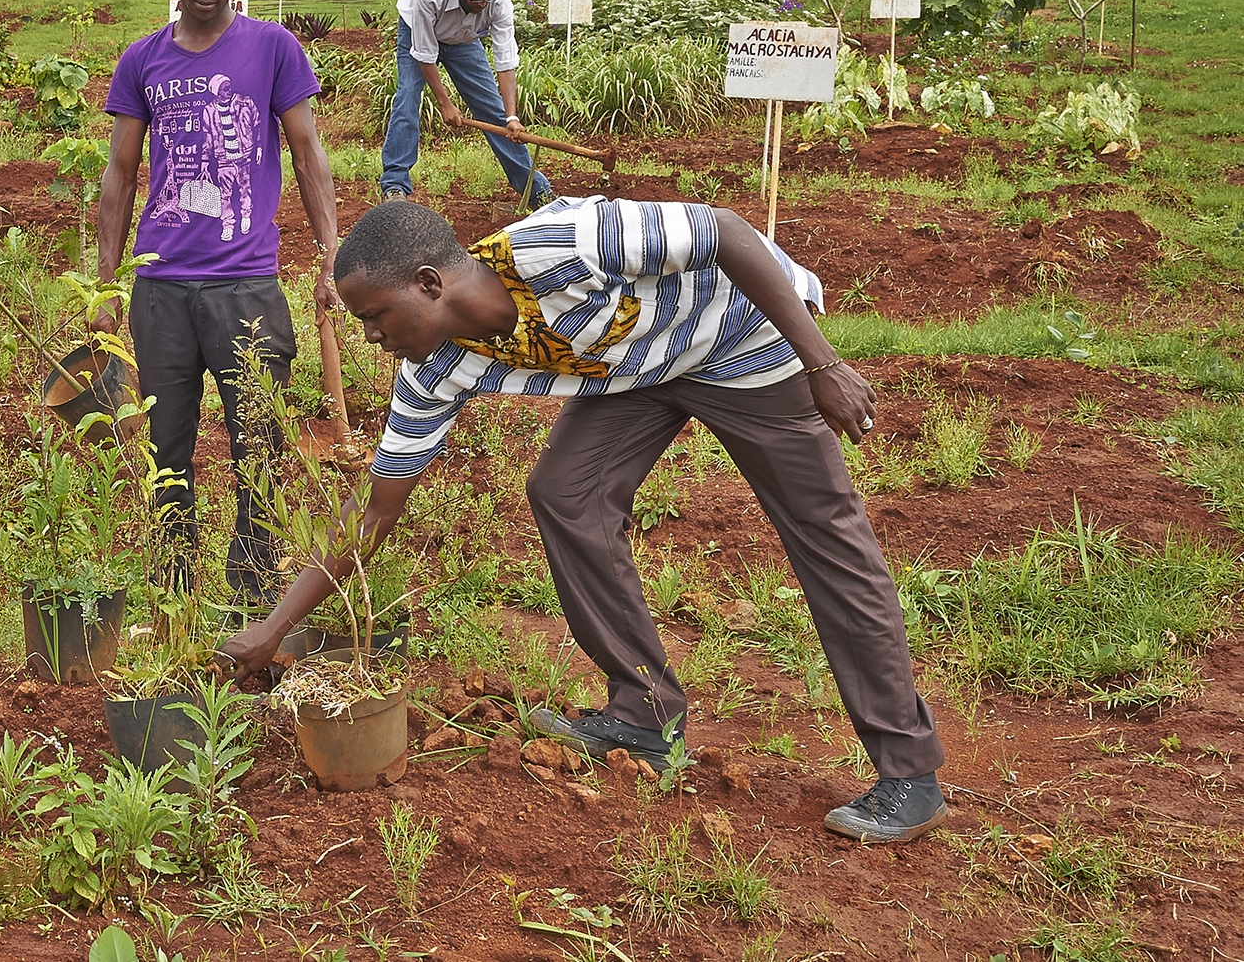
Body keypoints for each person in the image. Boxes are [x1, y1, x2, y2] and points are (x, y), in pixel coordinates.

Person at [218, 197, 950, 845]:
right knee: (566, 490)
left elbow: (724, 230)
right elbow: (374, 509)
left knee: (824, 537)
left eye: (375, 317)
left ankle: (909, 775)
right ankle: (643, 711)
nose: (370, 338)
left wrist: (820, 364)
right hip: (636, 372)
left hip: (740, 338)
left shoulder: (559, 244)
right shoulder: (434, 367)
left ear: (429, 282)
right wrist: (273, 626)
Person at [95, 0, 342, 605]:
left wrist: (330, 251)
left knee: (256, 448)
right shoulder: (142, 58)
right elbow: (118, 171)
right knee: (165, 450)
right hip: (162, 287)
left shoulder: (272, 49)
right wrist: (107, 283)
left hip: (245, 286)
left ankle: (253, 592)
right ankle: (170, 586)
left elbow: (305, 150)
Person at [380, 0, 553, 209]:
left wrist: (512, 117)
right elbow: (426, 54)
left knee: (494, 111)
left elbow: (505, 61)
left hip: (463, 41)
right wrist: (444, 103)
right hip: (418, 31)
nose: (482, 5)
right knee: (408, 98)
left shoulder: (498, 2)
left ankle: (534, 191)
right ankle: (395, 185)